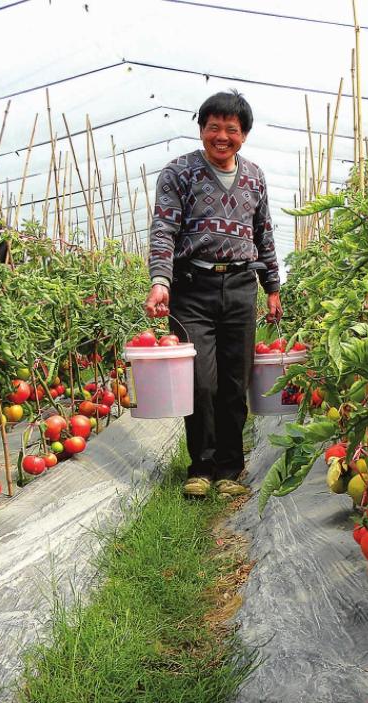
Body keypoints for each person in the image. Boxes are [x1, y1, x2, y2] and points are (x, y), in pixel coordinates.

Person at [144, 90, 282, 499]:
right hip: (192, 288)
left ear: (244, 135)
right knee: (200, 382)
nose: (221, 136)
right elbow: (163, 230)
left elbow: (265, 233)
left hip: (241, 286)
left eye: (231, 130)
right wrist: (160, 282)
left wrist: (272, 287)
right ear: (202, 129)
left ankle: (229, 469)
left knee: (235, 381)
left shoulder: (255, 176)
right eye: (213, 127)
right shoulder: (178, 173)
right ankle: (200, 467)